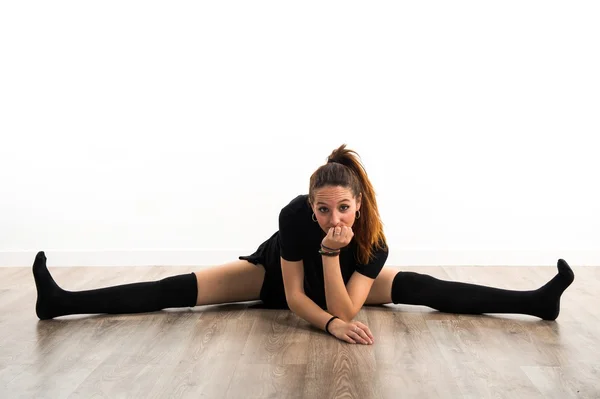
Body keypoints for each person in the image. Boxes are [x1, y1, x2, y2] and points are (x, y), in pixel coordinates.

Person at [32, 144, 575, 345]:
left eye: (343, 208)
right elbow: (294, 298)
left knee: (427, 289)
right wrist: (331, 322)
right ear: (310, 205)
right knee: (172, 290)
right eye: (324, 208)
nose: (332, 216)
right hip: (276, 276)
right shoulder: (295, 218)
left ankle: (535, 302)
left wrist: (336, 269)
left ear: (358, 206)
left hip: (340, 277)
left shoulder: (373, 242)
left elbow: (344, 307)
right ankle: (62, 302)